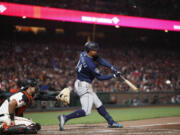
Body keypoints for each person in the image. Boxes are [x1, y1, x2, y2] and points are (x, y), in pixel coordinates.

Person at [58, 41, 123, 131]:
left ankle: (111, 122)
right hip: (84, 86)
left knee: (98, 104)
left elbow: (100, 59)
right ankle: (65, 117)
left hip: (80, 82)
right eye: (94, 50)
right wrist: (114, 76)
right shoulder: (90, 64)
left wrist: (112, 67)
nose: (96, 51)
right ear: (89, 51)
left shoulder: (83, 54)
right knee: (86, 111)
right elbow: (100, 77)